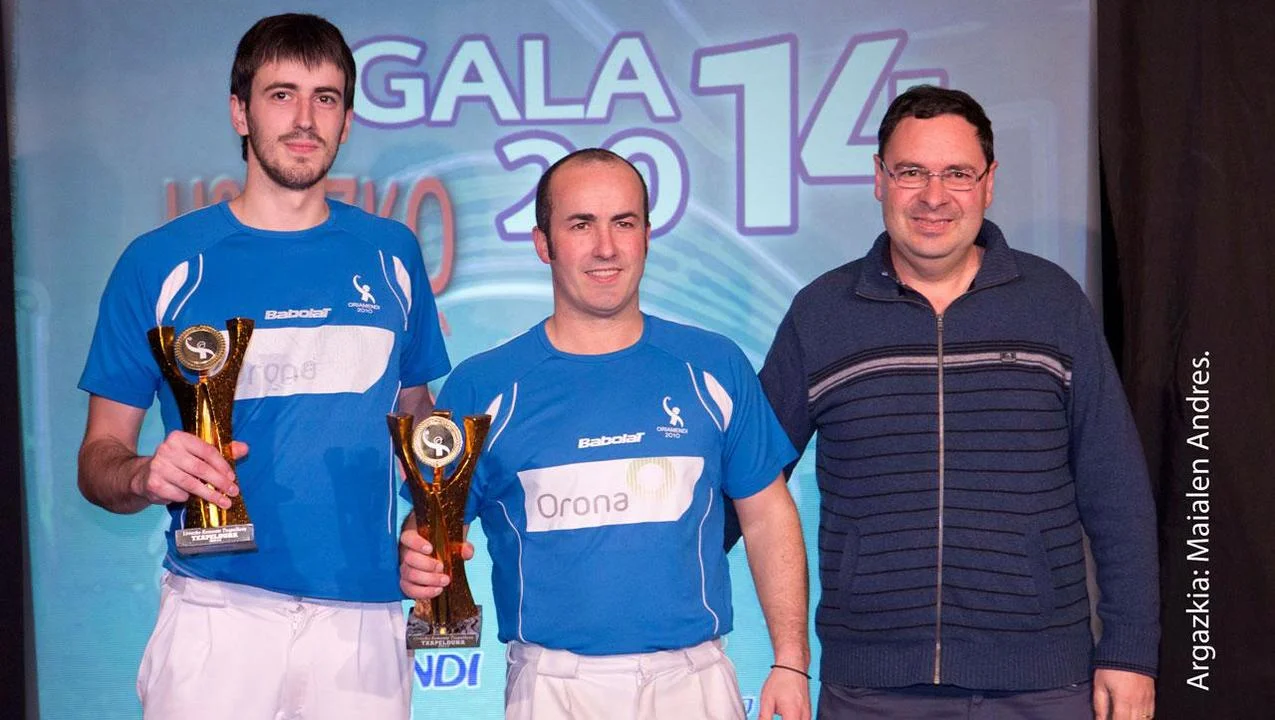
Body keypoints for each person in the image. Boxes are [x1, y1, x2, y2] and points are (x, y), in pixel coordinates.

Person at [76, 14, 449, 720]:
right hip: (216, 612)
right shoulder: (158, 263)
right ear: (239, 112)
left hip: (362, 617)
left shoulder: (392, 254)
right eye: (282, 95)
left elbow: (415, 418)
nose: (305, 119)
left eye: (326, 98)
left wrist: (433, 516)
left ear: (347, 121)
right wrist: (145, 473)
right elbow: (98, 459)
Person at [758, 85, 1159, 720]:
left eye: (957, 174)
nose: (934, 196)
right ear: (879, 179)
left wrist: (1131, 650)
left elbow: (1116, 489)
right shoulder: (821, 314)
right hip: (872, 690)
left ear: (989, 183)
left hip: (1043, 686)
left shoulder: (1053, 303)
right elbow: (749, 482)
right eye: (911, 172)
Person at [399, 148, 812, 720]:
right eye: (581, 225)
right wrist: (417, 555)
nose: (606, 247)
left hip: (694, 683)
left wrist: (790, 662)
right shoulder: (483, 385)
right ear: (543, 243)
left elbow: (767, 516)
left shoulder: (714, 365)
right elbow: (434, 523)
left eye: (624, 222)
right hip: (552, 687)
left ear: (647, 236)